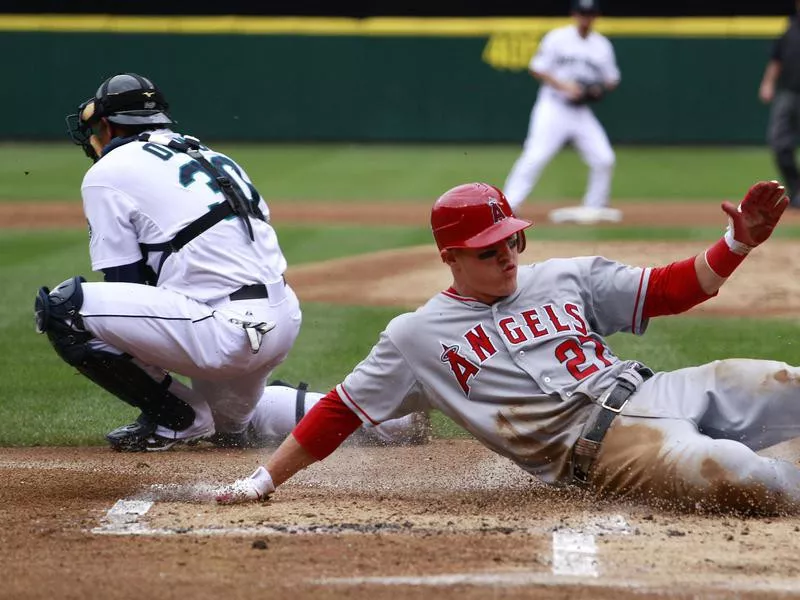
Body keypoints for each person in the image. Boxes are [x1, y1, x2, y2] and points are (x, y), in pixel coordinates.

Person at [215, 179, 800, 516]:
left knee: (785, 383)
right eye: (489, 249)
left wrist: (735, 244)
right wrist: (263, 480)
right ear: (450, 256)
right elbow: (341, 409)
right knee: (739, 473)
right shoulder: (415, 337)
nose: (508, 256)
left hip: (657, 388)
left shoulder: (564, 277)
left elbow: (668, 290)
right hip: (611, 451)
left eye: (511, 240)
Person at [34, 72, 427, 453]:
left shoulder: (108, 171)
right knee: (235, 423)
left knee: (66, 308)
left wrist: (150, 369)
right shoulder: (206, 153)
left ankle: (175, 417)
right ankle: (390, 420)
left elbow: (124, 282)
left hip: (223, 331)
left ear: (107, 125)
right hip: (279, 318)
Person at [503, 0, 621, 225]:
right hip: (553, 108)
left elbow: (611, 80)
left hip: (580, 111)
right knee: (535, 156)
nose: (586, 18)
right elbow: (537, 68)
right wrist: (565, 86)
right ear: (574, 14)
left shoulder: (602, 45)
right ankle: (509, 205)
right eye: (582, 13)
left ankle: (595, 205)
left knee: (604, 158)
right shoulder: (557, 38)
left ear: (596, 16)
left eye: (590, 14)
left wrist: (596, 89)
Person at [759, 0, 800, 208]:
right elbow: (776, 59)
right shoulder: (790, 28)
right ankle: (797, 190)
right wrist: (767, 83)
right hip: (789, 93)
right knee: (779, 142)